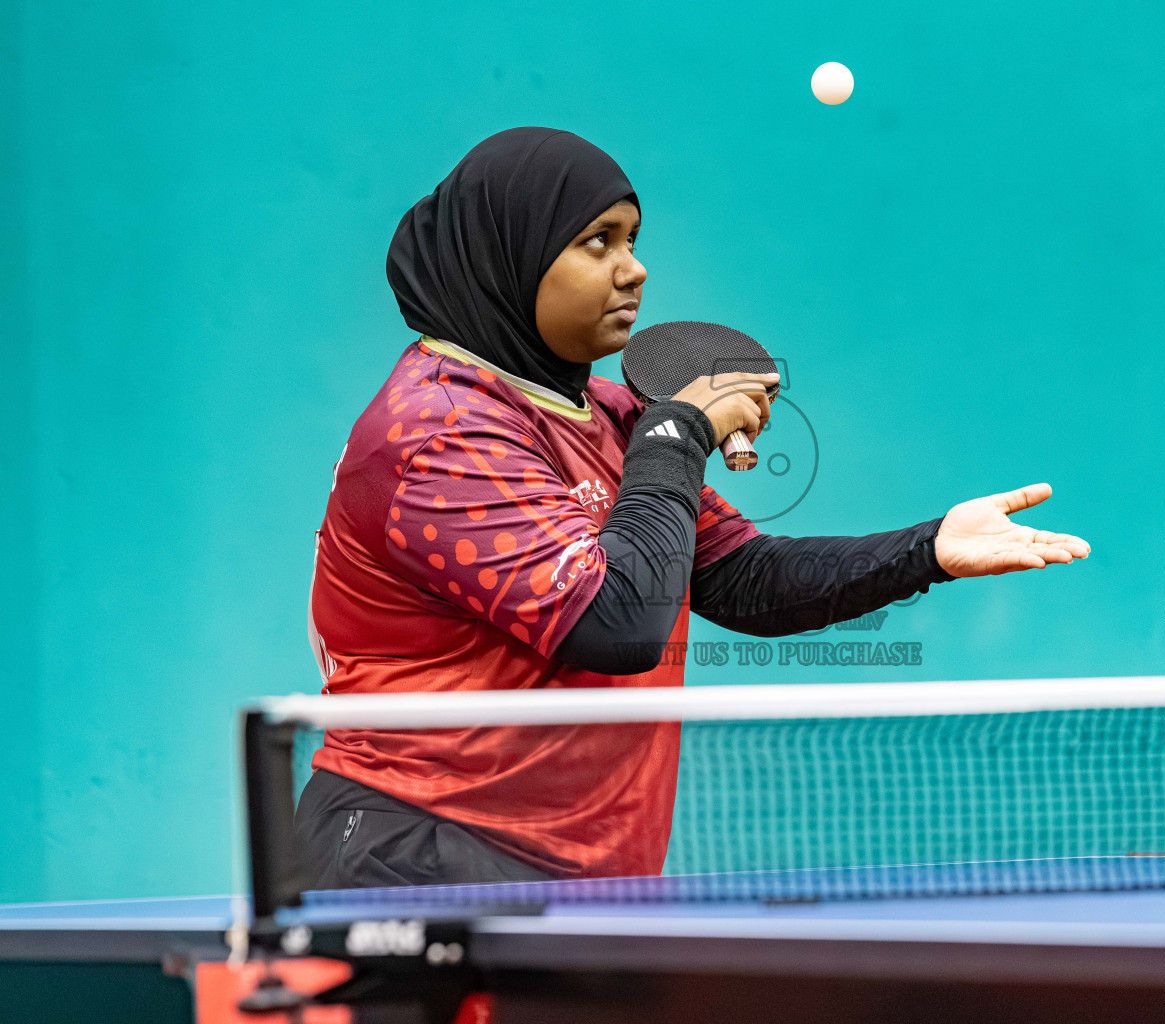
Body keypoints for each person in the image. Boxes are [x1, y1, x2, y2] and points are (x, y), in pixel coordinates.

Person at [296, 127, 1090, 889]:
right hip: (418, 853)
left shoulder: (602, 414)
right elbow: (615, 624)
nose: (634, 269)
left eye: (633, 240)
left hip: (571, 868)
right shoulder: (437, 433)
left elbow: (744, 579)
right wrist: (678, 431)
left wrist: (930, 548)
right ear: (511, 255)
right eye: (596, 242)